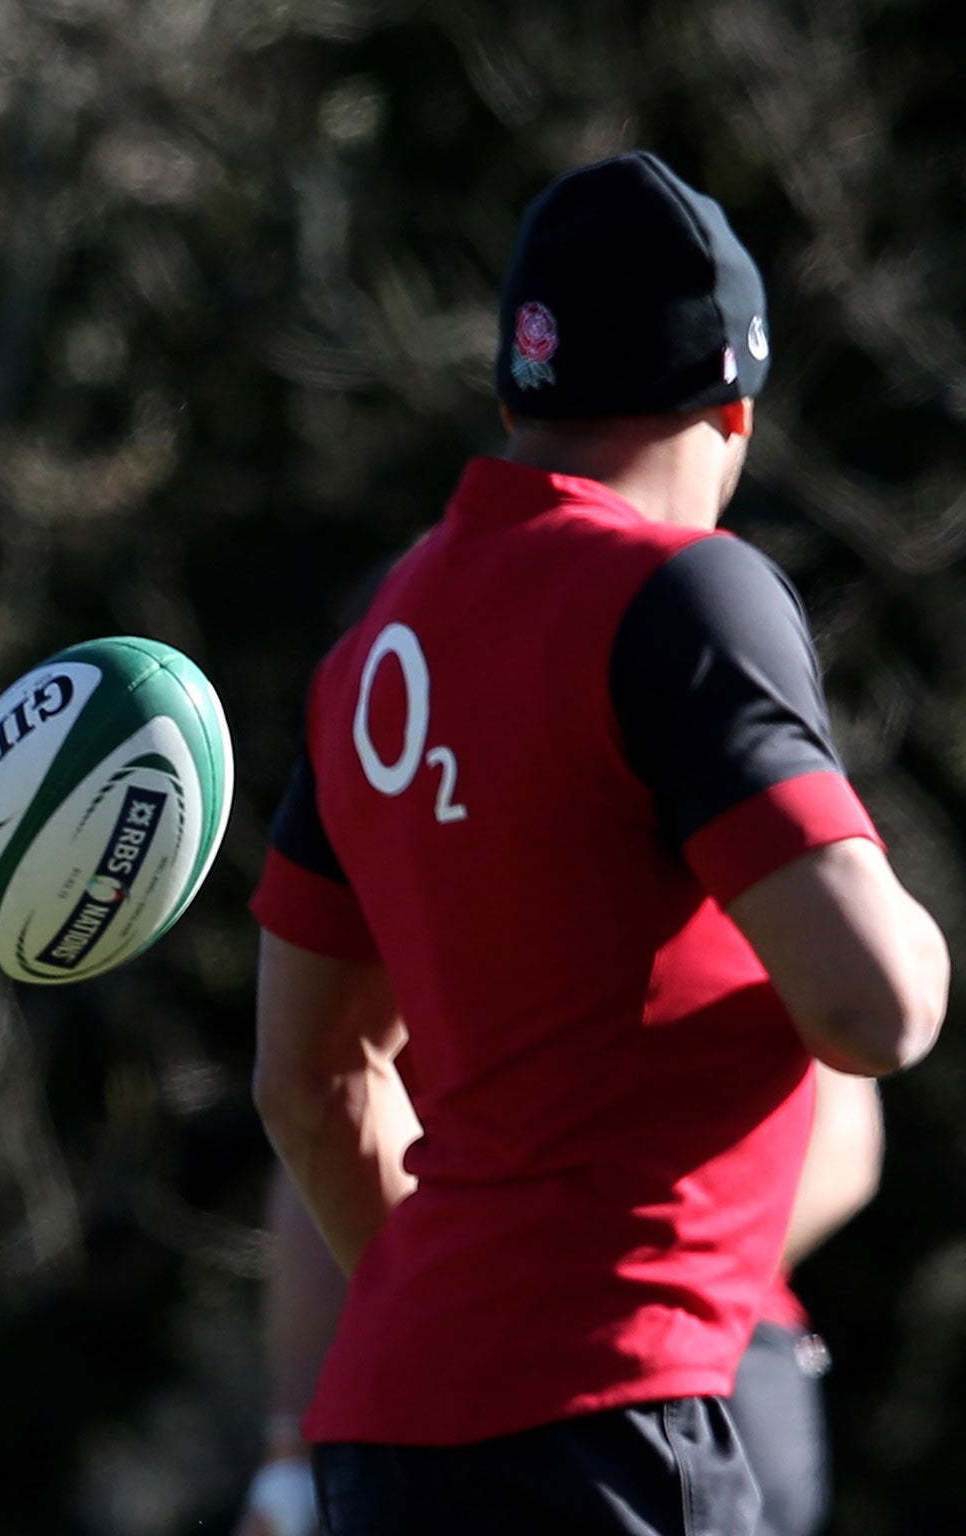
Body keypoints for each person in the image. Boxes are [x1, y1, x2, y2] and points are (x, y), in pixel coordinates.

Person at [249, 151, 948, 1535]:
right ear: (734, 411)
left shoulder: (376, 643)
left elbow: (309, 1086)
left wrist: (473, 1323)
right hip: (621, 1423)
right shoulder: (689, 595)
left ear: (517, 390)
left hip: (392, 1432)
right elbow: (877, 1010)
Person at [234, 1067, 884, 1536]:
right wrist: (289, 1456)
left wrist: (625, 1289)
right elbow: (321, 1094)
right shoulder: (405, 883)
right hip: (463, 1372)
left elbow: (843, 1140)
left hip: (708, 1360)